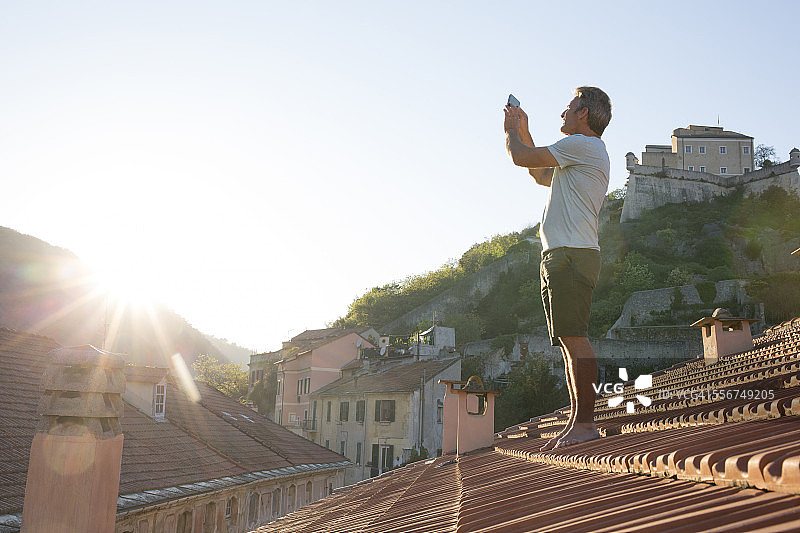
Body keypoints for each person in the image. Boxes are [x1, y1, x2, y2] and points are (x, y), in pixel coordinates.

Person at [503, 87, 612, 449]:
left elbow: (520, 158)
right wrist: (525, 131)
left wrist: (509, 131)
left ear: (583, 113)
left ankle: (585, 424)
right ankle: (576, 421)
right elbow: (538, 173)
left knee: (575, 339)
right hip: (563, 254)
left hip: (571, 254)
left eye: (568, 108)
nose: (562, 114)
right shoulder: (577, 154)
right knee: (567, 341)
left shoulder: (585, 145)